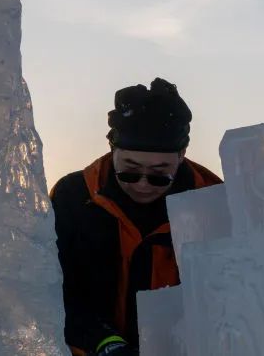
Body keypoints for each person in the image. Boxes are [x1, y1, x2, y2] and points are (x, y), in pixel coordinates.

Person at [51, 78, 222, 356]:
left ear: (181, 155)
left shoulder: (214, 201)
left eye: (159, 174)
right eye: (129, 170)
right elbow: (52, 290)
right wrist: (105, 344)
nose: (142, 184)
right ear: (112, 150)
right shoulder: (73, 197)